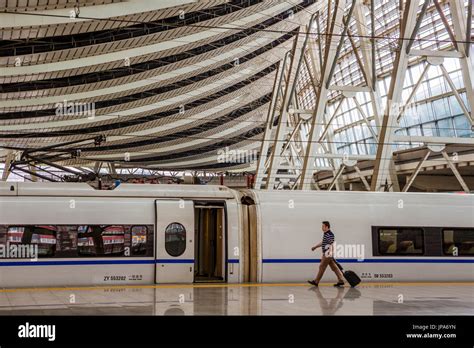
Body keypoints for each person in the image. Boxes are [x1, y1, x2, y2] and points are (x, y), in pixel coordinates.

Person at [308, 221, 345, 287]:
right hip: (327, 253)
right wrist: (315, 247)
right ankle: (341, 280)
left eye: (323, 226)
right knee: (334, 268)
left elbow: (331, 244)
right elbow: (323, 242)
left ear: (327, 227)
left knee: (322, 266)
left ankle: (316, 281)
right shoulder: (326, 234)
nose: (322, 228)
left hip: (327, 253)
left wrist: (329, 253)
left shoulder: (329, 234)